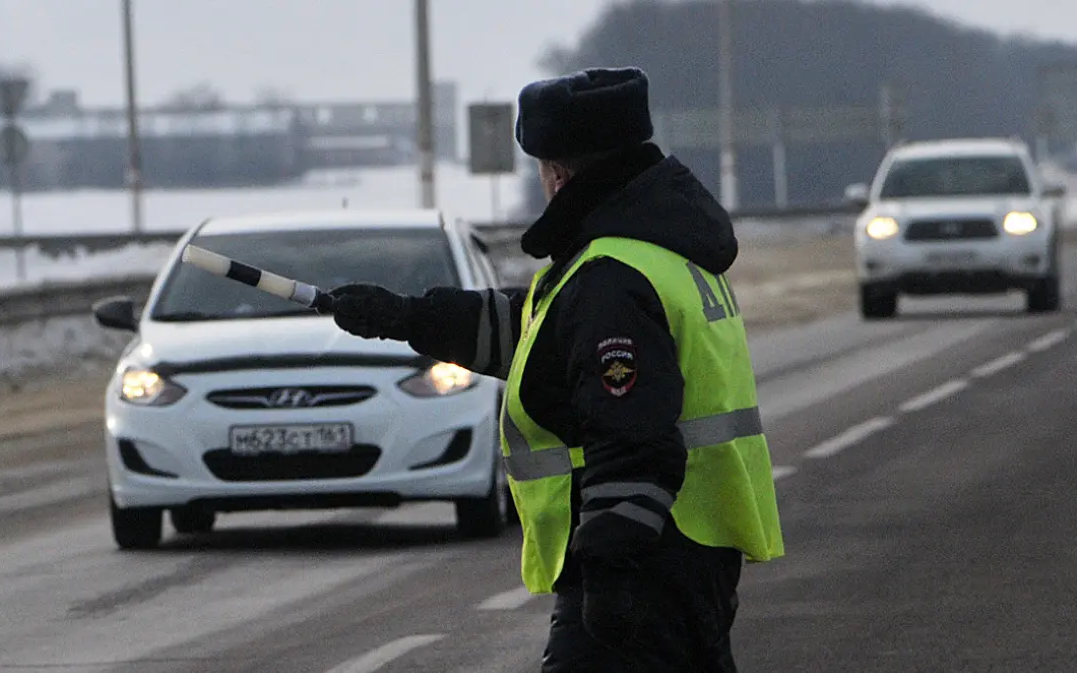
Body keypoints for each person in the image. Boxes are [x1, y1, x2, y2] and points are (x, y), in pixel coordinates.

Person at [325, 67, 784, 672]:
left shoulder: (611, 277)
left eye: (541, 168)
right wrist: (406, 317)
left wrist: (611, 566)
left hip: (643, 556)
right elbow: (543, 342)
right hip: (682, 546)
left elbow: (631, 429)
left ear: (560, 173)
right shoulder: (652, 250)